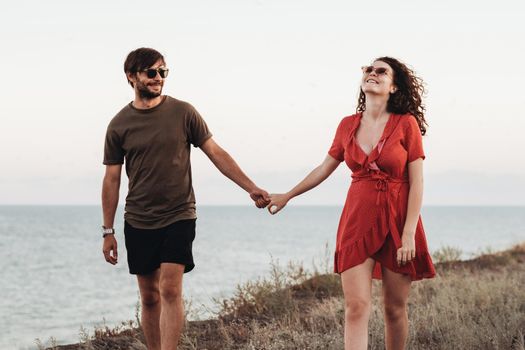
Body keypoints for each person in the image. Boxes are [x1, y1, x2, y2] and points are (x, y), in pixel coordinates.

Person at [101, 47, 269, 350]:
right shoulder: (118, 124)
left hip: (179, 214)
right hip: (138, 219)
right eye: (151, 72)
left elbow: (216, 153)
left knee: (169, 288)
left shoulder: (183, 112)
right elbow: (111, 179)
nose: (158, 78)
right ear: (131, 76)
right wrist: (107, 231)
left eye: (163, 72)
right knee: (149, 296)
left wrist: (250, 187)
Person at [266, 57, 436, 350]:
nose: (372, 73)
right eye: (368, 69)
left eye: (381, 71)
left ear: (394, 86)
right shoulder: (347, 125)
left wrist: (408, 233)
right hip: (358, 220)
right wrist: (287, 195)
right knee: (355, 307)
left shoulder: (406, 124)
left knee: (394, 309)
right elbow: (323, 169)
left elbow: (417, 182)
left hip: (398, 221)